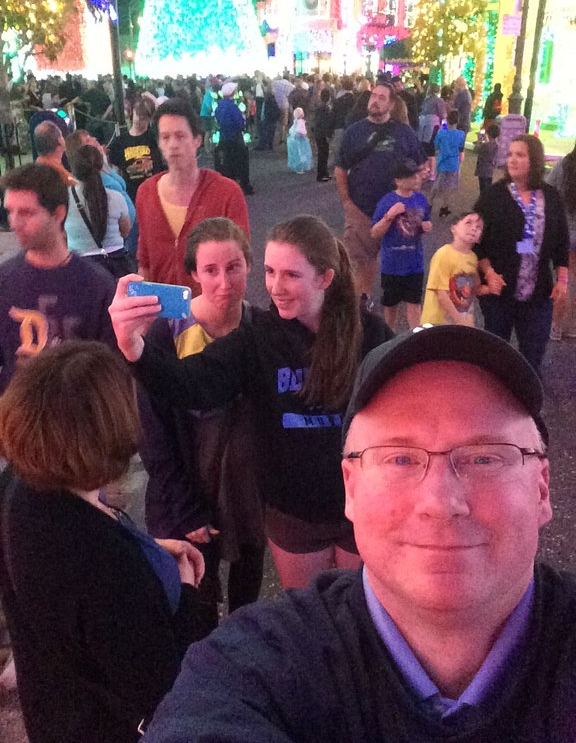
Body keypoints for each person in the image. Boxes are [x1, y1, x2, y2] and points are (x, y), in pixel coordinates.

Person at [139, 324, 576, 743]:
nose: (441, 502)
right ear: (350, 489)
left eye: (484, 458)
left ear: (542, 488)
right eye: (400, 459)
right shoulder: (248, 670)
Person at [110, 215, 392, 590]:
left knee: (359, 609)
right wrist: (134, 349)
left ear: (324, 278)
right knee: (308, 614)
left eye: (291, 275)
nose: (275, 287)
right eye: (270, 272)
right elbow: (193, 383)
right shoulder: (259, 336)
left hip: (360, 504)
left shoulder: (369, 334)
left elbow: (404, 410)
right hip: (294, 514)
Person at [0, 341, 206, 743]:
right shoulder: (108, 568)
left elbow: (64, 586)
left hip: (50, 707)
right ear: (107, 434)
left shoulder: (18, 485)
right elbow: (164, 690)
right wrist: (187, 592)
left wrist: (147, 548)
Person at [140, 218, 265, 633]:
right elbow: (154, 434)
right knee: (199, 600)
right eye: (210, 270)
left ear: (249, 264)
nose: (224, 283)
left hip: (246, 492)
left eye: (234, 267)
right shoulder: (167, 333)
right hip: (188, 493)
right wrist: (185, 508)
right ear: (193, 274)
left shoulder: (261, 327)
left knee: (247, 589)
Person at [0, 163, 116, 394]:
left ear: (58, 214)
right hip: (16, 410)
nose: (14, 223)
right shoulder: (4, 281)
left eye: (26, 213)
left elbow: (110, 373)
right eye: (10, 211)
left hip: (75, 411)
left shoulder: (96, 285)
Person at [474, 134, 569, 373]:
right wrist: (488, 273)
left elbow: (561, 240)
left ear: (534, 160)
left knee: (532, 358)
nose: (512, 160)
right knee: (495, 356)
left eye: (520, 155)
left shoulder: (551, 196)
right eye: (510, 154)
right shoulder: (494, 196)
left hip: (538, 292)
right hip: (499, 290)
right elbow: (476, 241)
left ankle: (527, 395)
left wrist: (562, 279)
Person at [135, 98, 249, 292]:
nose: (173, 145)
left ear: (197, 140)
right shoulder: (146, 193)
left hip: (214, 304)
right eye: (165, 137)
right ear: (159, 143)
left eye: (180, 136)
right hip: (163, 306)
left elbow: (240, 262)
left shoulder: (226, 193)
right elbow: (145, 261)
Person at [335, 83, 424, 296]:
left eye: (382, 98)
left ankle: (391, 307)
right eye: (373, 96)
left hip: (398, 212)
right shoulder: (354, 132)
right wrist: (347, 203)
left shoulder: (404, 133)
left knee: (398, 264)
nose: (375, 101)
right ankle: (362, 302)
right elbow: (340, 169)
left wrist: (412, 195)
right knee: (358, 261)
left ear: (392, 104)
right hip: (360, 209)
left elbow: (420, 167)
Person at [371, 159, 432, 330]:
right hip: (392, 265)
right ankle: (389, 336)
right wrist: (389, 216)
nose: (416, 179)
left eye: (416, 175)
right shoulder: (387, 201)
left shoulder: (421, 199)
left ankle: (417, 337)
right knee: (391, 305)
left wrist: (426, 226)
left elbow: (425, 222)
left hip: (415, 264)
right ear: (398, 181)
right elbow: (374, 233)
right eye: (410, 176)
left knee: (414, 303)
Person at [65, 145, 136, 278]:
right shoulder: (116, 197)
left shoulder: (64, 199)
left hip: (79, 265)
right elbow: (125, 230)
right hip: (115, 263)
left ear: (74, 169)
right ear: (100, 166)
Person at [421, 211, 488, 325]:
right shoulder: (443, 254)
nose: (473, 229)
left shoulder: (473, 258)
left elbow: (473, 288)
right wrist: (459, 321)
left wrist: (491, 287)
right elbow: (441, 294)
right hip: (438, 324)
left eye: (478, 227)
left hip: (462, 322)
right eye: (468, 223)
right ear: (454, 228)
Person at [545, 141, 576, 340]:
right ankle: (572, 326)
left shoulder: (564, 165)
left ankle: (556, 326)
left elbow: (548, 191)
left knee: (564, 280)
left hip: (565, 233)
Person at [215, 82, 254, 196]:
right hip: (235, 137)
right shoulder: (232, 106)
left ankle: (229, 185)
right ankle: (244, 185)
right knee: (241, 162)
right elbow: (240, 123)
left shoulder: (220, 105)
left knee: (227, 162)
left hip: (224, 137)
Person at [431, 110, 466, 218]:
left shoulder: (441, 132)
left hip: (442, 162)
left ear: (447, 120)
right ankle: (444, 207)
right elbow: (460, 148)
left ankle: (430, 203)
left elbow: (436, 145)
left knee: (436, 184)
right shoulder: (461, 134)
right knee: (449, 186)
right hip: (454, 163)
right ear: (458, 121)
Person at [417, 83, 446, 181]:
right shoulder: (439, 100)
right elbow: (443, 114)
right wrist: (444, 127)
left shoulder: (426, 100)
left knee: (425, 148)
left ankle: (427, 171)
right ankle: (431, 172)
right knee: (430, 149)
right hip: (432, 125)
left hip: (423, 124)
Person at [33, 120, 75, 186]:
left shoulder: (38, 164)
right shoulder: (63, 176)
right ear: (59, 141)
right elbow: (76, 185)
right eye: (61, 135)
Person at [474, 123, 500, 196]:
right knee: (488, 184)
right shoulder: (497, 145)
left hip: (482, 168)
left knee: (482, 187)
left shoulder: (485, 145)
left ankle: (484, 199)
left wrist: (479, 140)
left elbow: (475, 150)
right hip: (490, 169)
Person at [314, 88, 334, 182]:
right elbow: (326, 123)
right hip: (323, 134)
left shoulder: (319, 107)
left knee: (322, 154)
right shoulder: (326, 108)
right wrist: (328, 135)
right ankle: (322, 174)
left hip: (318, 133)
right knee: (323, 154)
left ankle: (323, 173)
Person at [286, 107, 312, 175]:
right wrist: (305, 135)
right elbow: (301, 131)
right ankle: (300, 168)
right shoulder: (301, 122)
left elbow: (291, 130)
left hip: (294, 140)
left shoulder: (295, 122)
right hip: (301, 140)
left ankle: (297, 167)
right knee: (302, 154)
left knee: (296, 154)